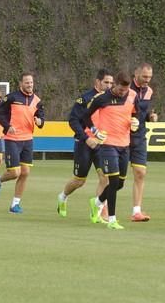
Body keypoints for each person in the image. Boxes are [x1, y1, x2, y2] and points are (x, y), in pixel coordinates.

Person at [83, 72, 138, 230]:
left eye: (125, 90)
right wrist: (95, 130)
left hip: (124, 144)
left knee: (120, 183)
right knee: (113, 181)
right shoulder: (102, 99)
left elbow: (136, 113)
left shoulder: (133, 95)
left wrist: (135, 121)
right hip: (108, 144)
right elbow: (85, 116)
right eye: (121, 89)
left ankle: (97, 202)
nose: (123, 93)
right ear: (115, 85)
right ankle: (112, 219)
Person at [57, 69, 114, 218]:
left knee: (105, 177)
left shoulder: (113, 100)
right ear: (97, 82)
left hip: (103, 145)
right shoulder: (85, 99)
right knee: (79, 181)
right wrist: (86, 138)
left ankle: (99, 212)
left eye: (111, 83)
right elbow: (73, 121)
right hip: (84, 144)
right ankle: (62, 197)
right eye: (106, 82)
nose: (109, 86)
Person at [0, 72, 45, 213]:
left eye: (31, 82)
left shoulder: (37, 101)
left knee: (25, 172)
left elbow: (40, 118)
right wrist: (7, 127)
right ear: (21, 83)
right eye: (26, 82)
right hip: (12, 139)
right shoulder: (12, 98)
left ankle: (15, 205)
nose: (29, 85)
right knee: (15, 172)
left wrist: (40, 122)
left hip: (28, 140)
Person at [128, 63, 158, 222]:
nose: (147, 80)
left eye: (150, 77)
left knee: (140, 173)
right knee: (116, 178)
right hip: (122, 136)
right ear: (136, 73)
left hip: (139, 137)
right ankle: (101, 205)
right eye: (145, 77)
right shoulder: (125, 88)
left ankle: (136, 211)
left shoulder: (149, 91)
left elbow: (143, 113)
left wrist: (149, 117)